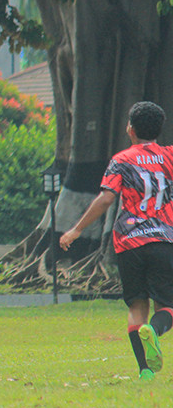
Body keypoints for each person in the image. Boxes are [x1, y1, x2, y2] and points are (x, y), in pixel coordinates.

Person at [60, 101, 173, 380]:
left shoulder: (121, 160)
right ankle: (155, 331)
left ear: (130, 129)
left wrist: (76, 229)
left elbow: (106, 198)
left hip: (128, 242)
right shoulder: (170, 156)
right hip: (163, 240)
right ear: (160, 129)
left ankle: (145, 371)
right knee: (167, 306)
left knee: (137, 306)